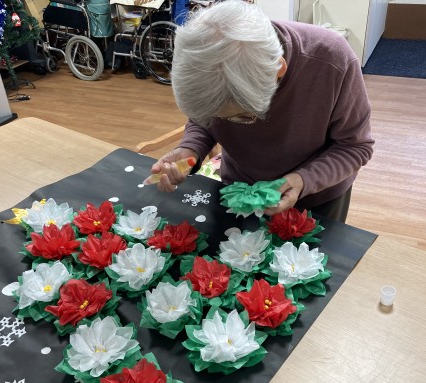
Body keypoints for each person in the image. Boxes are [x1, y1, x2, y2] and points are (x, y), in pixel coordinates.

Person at [148, 0, 374, 222]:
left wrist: (303, 180)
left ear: (279, 70)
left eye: (243, 117)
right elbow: (203, 121)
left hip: (318, 197)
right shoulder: (204, 63)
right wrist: (190, 148)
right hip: (238, 189)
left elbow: (355, 147)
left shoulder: (332, 61)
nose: (226, 122)